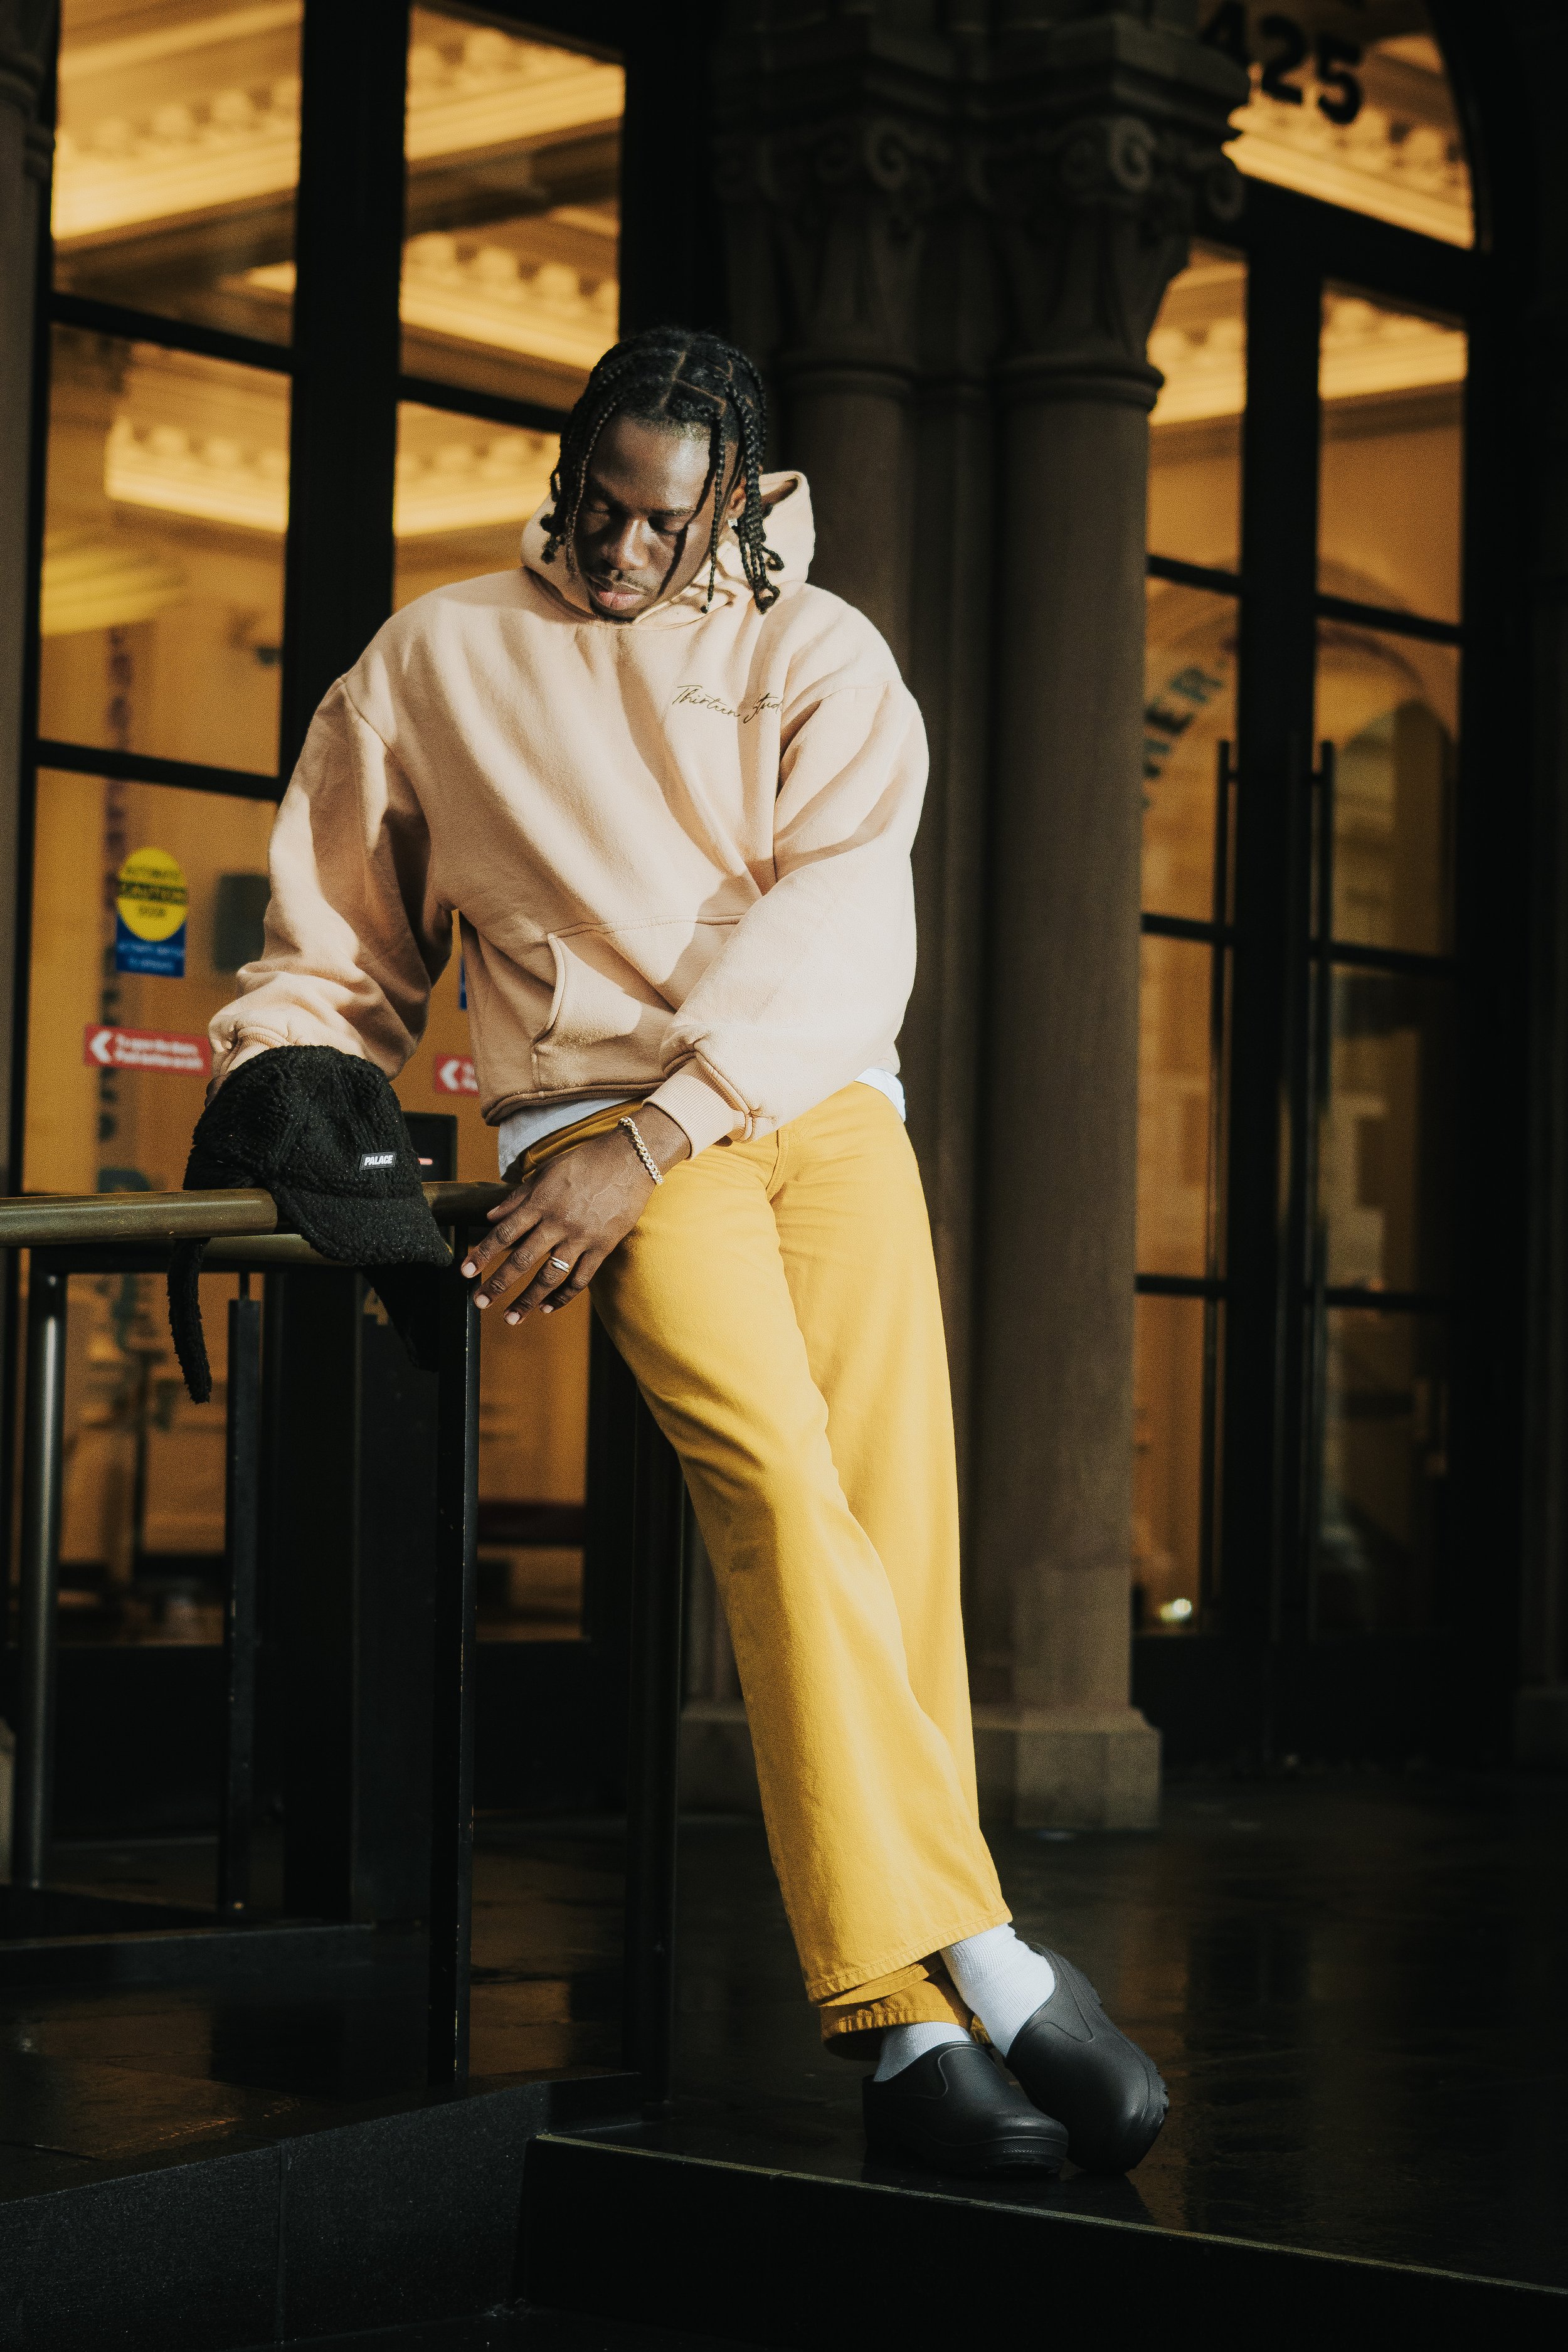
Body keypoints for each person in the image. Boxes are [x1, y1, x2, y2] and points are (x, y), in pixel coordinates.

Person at [209, 325, 1165, 2178]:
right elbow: (336, 930)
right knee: (781, 1502)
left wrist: (670, 1124)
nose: (627, 552)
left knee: (893, 1534)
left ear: (735, 501)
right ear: (568, 465)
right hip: (586, 1128)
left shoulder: (820, 651)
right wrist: (298, 1079)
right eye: (602, 504)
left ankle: (905, 2035)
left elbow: (840, 926)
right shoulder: (436, 656)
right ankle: (970, 1959)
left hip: (806, 1103)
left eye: (668, 520)